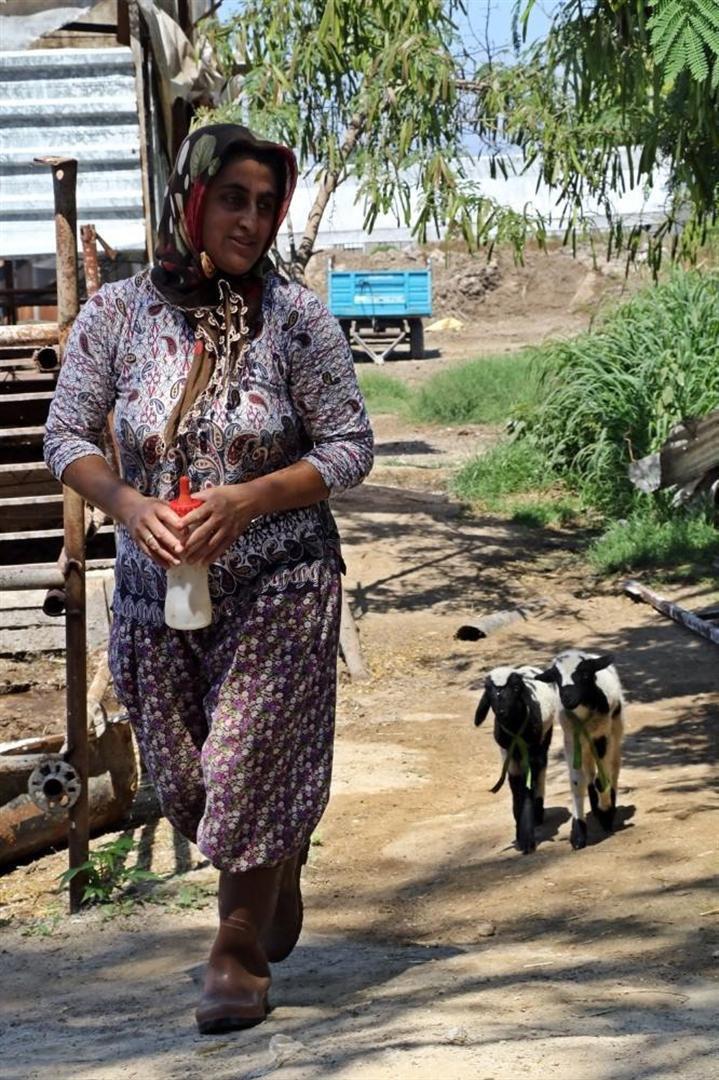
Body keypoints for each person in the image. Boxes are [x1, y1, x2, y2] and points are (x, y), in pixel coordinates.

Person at [43, 124, 374, 1034]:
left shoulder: (297, 319)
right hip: (159, 590)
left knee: (247, 759)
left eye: (267, 205)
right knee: (188, 782)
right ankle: (278, 857)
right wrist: (125, 503)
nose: (252, 220)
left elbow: (351, 446)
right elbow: (64, 436)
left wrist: (252, 499)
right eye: (233, 197)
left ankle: (232, 952)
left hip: (281, 582)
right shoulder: (114, 316)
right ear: (190, 198)